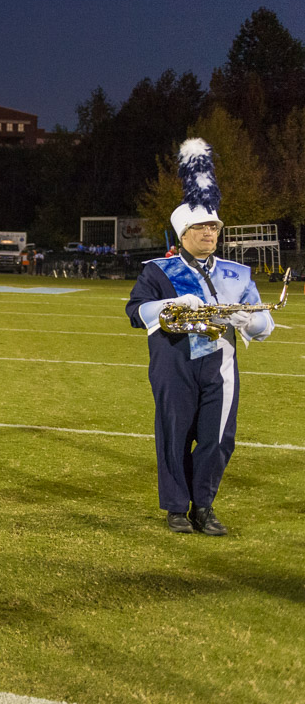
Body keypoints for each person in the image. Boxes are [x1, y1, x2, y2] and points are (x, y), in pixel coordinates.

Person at [126, 139, 274, 537]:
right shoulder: (157, 271)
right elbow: (135, 313)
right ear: (183, 232)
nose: (210, 232)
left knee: (219, 438)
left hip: (221, 365)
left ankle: (203, 505)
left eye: (214, 226)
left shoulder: (238, 273)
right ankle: (176, 507)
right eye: (202, 227)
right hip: (174, 362)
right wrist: (173, 304)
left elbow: (264, 326)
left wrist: (249, 322)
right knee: (174, 434)